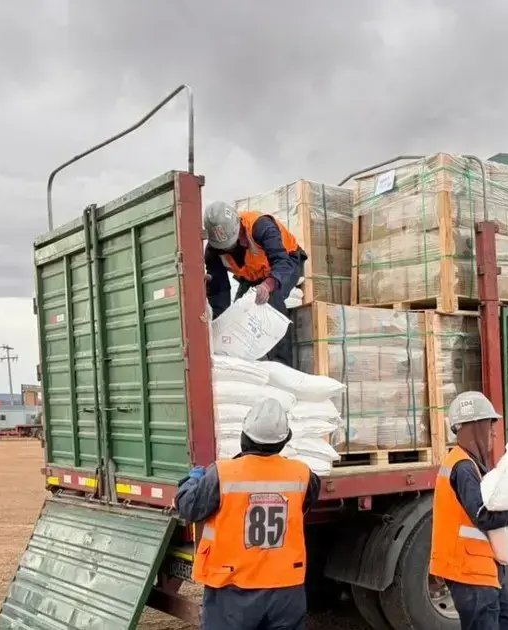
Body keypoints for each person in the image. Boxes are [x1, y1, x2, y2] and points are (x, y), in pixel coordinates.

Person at [176, 397, 322, 630]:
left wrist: (191, 481)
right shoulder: (303, 474)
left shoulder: (223, 473)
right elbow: (304, 503)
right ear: (284, 440)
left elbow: (189, 508)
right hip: (286, 590)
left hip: (233, 589)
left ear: (244, 437)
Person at [430, 391, 508, 630]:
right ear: (476, 426)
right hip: (469, 572)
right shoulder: (463, 467)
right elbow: (484, 516)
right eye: (490, 425)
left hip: (479, 572)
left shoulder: (468, 464)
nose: (494, 432)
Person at [204, 201, 308, 364]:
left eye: (231, 244)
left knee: (271, 300)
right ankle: (245, 362)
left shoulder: (260, 226)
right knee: (239, 312)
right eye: (224, 248)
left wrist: (267, 285)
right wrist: (218, 328)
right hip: (252, 276)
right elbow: (219, 293)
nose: (228, 250)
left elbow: (281, 262)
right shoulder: (212, 252)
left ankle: (282, 363)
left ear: (238, 228)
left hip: (287, 262)